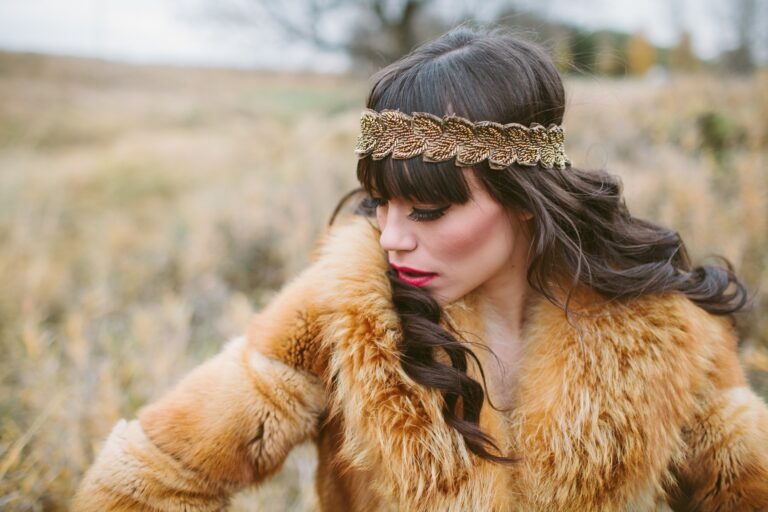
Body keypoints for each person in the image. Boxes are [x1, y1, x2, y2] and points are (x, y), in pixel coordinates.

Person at [73, 26, 768, 511]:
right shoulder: (342, 312)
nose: (392, 238)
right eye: (381, 203)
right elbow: (146, 479)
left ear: (525, 200)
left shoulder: (665, 331)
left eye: (429, 211)